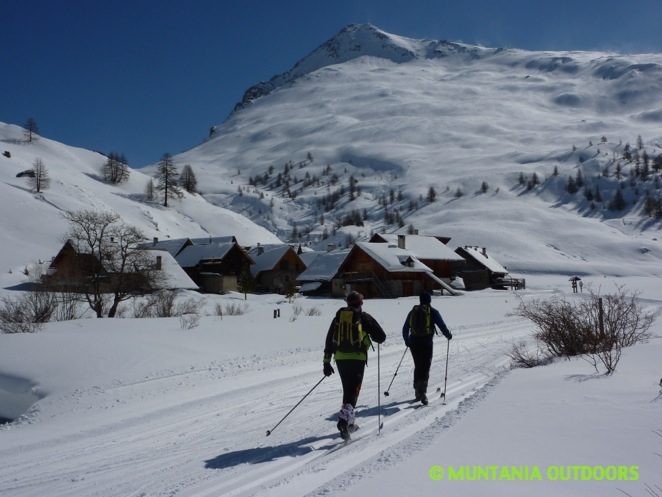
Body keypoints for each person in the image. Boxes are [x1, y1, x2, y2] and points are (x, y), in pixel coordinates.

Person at [323, 291, 386, 440]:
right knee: (354, 391)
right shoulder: (363, 317)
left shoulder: (338, 318)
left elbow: (329, 340)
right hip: (357, 358)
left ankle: (349, 423)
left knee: (348, 390)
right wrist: (370, 335)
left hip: (340, 358)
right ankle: (344, 422)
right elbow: (381, 337)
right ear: (360, 303)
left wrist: (326, 362)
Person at [402, 292, 452, 405]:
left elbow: (405, 328)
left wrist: (407, 340)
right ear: (430, 300)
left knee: (418, 366)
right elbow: (442, 325)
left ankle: (417, 390)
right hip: (426, 343)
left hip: (414, 343)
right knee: (425, 367)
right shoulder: (433, 312)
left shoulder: (413, 311)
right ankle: (422, 392)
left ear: (420, 300)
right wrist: (448, 335)